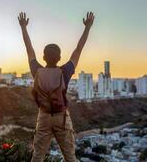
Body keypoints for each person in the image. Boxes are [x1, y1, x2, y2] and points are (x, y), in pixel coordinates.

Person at [18, 11, 95, 162]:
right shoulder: (65, 71)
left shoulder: (37, 71)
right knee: (70, 157)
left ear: (44, 57)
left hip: (44, 116)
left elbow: (29, 49)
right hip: (61, 118)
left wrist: (23, 27)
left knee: (37, 156)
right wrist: (87, 27)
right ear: (59, 57)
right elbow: (78, 49)